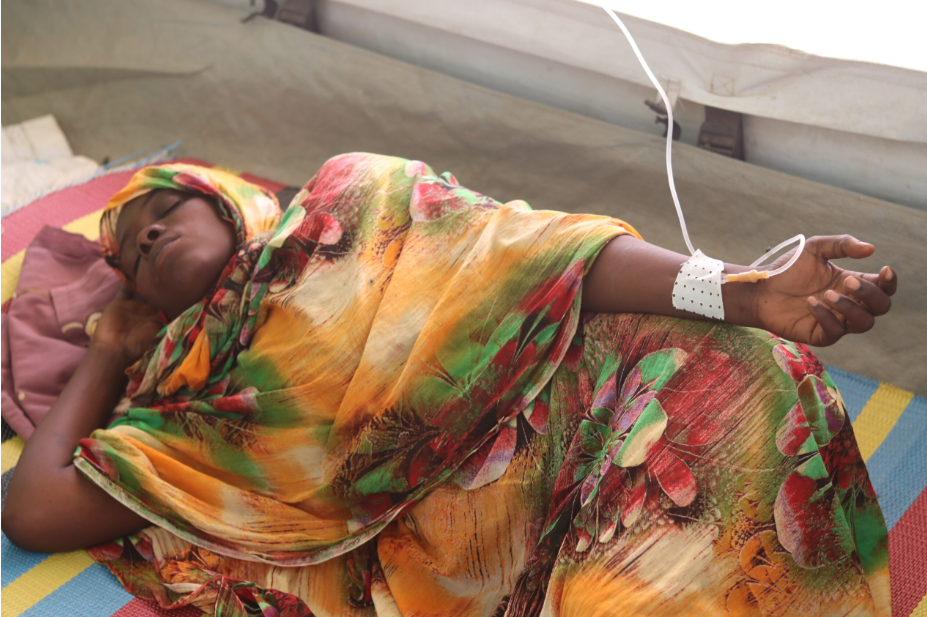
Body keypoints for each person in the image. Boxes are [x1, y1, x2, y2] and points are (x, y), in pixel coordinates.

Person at [2, 153, 896, 616]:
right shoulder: (183, 401)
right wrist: (111, 350)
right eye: (130, 253)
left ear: (232, 203)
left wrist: (737, 291)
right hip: (473, 541)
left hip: (578, 427)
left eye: (166, 208)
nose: (149, 237)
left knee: (742, 371)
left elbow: (535, 256)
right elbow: (34, 509)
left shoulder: (353, 198)